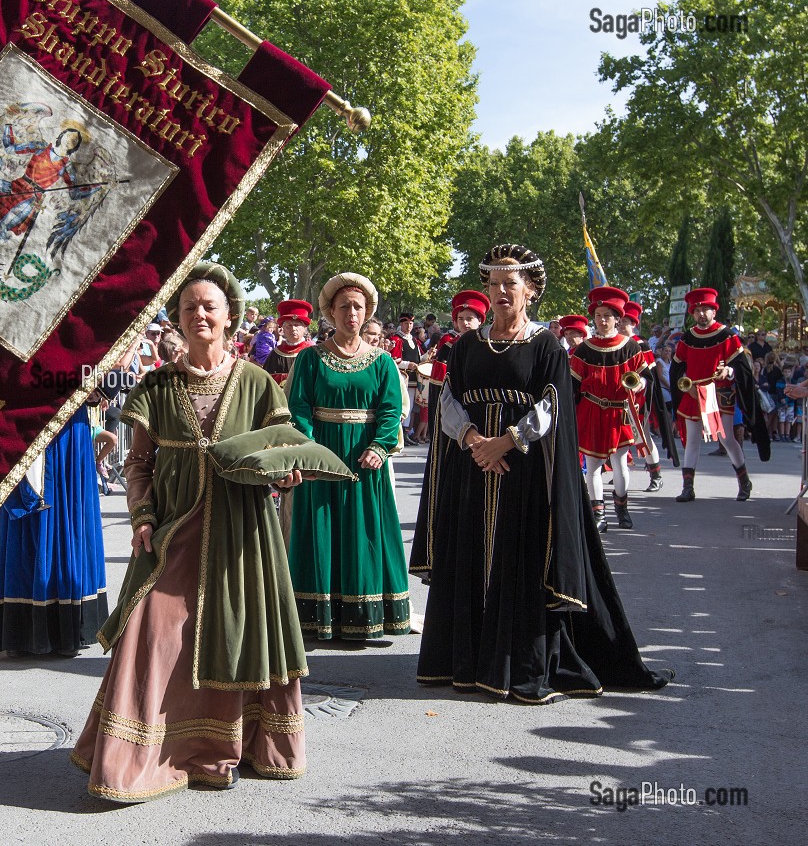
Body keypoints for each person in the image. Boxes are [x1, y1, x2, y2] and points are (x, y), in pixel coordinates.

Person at [72, 262, 308, 801]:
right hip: (172, 529)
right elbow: (138, 465)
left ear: (230, 316)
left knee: (234, 635)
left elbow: (281, 450)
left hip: (242, 531)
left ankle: (224, 749)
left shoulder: (256, 382)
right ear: (176, 319)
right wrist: (142, 515)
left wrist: (287, 474)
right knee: (150, 631)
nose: (199, 314)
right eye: (188, 307)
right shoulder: (156, 385)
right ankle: (140, 754)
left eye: (209, 306)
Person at [411, 243, 671, 703]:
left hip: (524, 470)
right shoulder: (466, 345)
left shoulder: (546, 345)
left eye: (509, 284)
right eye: (492, 285)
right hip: (473, 468)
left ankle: (514, 661)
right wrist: (474, 442)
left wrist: (504, 442)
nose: (499, 292)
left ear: (530, 291)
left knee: (520, 559)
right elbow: (447, 399)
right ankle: (469, 660)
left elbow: (552, 405)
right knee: (472, 556)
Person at [287, 273, 409, 640]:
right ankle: (317, 618)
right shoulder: (310, 358)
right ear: (330, 313)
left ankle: (364, 618)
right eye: (344, 307)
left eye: (358, 307)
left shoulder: (382, 361)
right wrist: (309, 449)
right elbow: (299, 407)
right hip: (322, 455)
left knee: (364, 531)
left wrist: (378, 446)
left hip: (364, 458)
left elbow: (391, 411)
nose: (351, 313)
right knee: (319, 529)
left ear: (367, 311)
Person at [0, 406, 108, 656]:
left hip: (62, 423)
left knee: (59, 510)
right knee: (26, 518)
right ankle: (21, 630)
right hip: (18, 413)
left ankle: (45, 628)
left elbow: (104, 382)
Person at [670, 288, 768, 502]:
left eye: (705, 309)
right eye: (696, 310)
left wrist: (729, 371)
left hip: (719, 393)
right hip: (694, 393)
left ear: (714, 311)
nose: (701, 314)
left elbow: (741, 368)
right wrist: (685, 387)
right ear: (692, 313)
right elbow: (677, 367)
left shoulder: (727, 335)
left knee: (726, 438)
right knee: (692, 440)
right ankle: (688, 487)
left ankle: (744, 481)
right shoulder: (687, 338)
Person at [570, 287, 645, 531]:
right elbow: (573, 385)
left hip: (619, 412)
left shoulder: (631, 347)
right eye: (598, 315)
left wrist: (641, 383)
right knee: (592, 466)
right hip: (591, 411)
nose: (602, 320)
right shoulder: (583, 349)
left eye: (607, 315)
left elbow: (645, 378)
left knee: (620, 463)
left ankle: (622, 509)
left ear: (617, 318)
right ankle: (598, 514)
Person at [419, 290, 488, 442]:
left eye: (469, 318)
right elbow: (439, 388)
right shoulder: (449, 347)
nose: (465, 323)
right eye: (461, 318)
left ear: (480, 320)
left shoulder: (489, 347)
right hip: (454, 408)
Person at [618, 300, 670, 491]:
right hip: (617, 397)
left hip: (638, 398)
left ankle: (656, 475)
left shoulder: (642, 345)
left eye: (626, 322)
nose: (622, 325)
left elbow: (649, 375)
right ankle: (619, 472)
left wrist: (640, 386)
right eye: (620, 321)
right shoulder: (615, 342)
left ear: (634, 324)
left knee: (644, 436)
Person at [262, 299, 314, 382]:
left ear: (304, 328)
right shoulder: (275, 353)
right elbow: (266, 381)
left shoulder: (313, 352)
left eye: (297, 325)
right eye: (289, 325)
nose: (293, 329)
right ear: (283, 329)